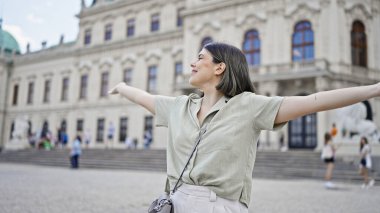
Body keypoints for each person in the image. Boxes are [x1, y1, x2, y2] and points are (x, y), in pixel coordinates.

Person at [109, 42, 380, 212]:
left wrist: (375, 89)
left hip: (220, 206)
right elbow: (143, 97)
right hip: (174, 204)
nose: (192, 62)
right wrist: (122, 87)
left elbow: (315, 100)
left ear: (220, 68)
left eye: (200, 57)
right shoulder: (179, 106)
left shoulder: (249, 106)